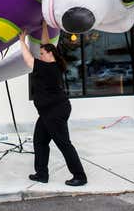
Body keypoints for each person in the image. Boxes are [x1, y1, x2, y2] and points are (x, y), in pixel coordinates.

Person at [19, 24, 87, 187]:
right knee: (40, 141)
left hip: (54, 111)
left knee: (64, 143)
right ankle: (42, 174)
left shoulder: (47, 67)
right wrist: (43, 25)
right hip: (48, 111)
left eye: (42, 54)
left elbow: (28, 60)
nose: (40, 55)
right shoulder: (54, 64)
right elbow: (46, 43)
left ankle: (80, 176)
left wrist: (22, 41)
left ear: (50, 54)